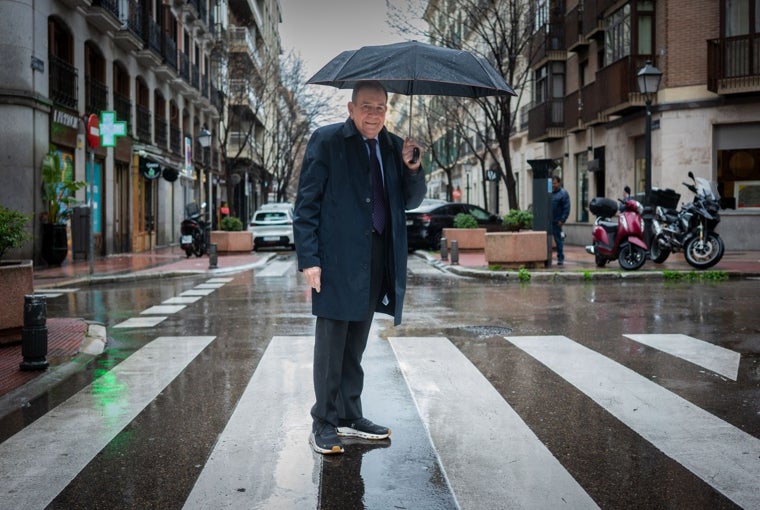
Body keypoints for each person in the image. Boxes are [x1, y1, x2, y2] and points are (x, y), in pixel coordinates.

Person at [294, 81, 427, 455]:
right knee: (332, 345)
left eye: (381, 108)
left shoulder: (394, 146)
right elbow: (307, 204)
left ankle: (351, 415)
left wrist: (412, 168)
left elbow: (411, 201)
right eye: (367, 107)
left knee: (356, 343)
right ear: (351, 108)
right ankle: (324, 420)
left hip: (377, 257)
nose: (374, 115)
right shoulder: (328, 140)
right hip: (336, 259)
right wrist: (310, 259)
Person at [551, 175, 571, 265]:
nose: (553, 185)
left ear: (559, 183)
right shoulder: (549, 192)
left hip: (557, 222)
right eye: (552, 183)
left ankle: (560, 258)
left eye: (554, 183)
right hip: (548, 221)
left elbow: (566, 208)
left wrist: (562, 220)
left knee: (558, 240)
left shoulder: (563, 194)